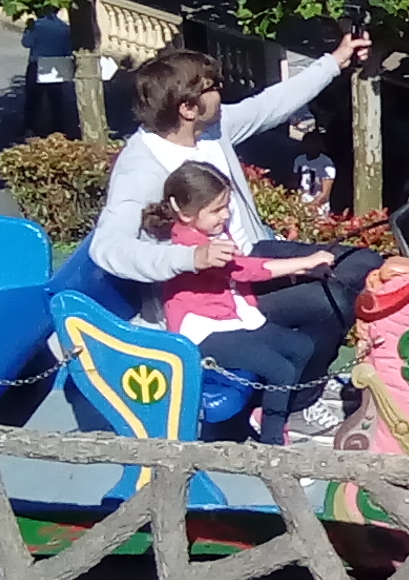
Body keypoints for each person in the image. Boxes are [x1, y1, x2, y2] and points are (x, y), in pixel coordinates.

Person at [90, 39, 383, 440]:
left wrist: (334, 61)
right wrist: (191, 257)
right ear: (187, 108)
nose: (220, 93)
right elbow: (107, 249)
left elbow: (270, 105)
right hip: (215, 289)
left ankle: (303, 381)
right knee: (330, 300)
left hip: (252, 256)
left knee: (364, 265)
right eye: (211, 87)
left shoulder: (212, 128)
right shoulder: (140, 169)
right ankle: (295, 405)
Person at [141, 163, 341, 445]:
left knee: (301, 347)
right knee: (279, 369)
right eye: (216, 210)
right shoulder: (191, 245)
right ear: (185, 214)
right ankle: (273, 443)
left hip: (232, 317)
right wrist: (305, 264)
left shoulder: (211, 233)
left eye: (226, 206)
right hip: (204, 330)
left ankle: (266, 413)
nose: (225, 215)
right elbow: (245, 270)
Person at [19, 9, 77, 140]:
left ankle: (29, 128)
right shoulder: (64, 28)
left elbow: (26, 43)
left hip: (37, 63)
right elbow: (67, 50)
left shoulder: (36, 25)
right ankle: (58, 130)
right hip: (56, 65)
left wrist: (27, 30)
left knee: (32, 99)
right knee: (56, 100)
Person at [292, 124, 337, 212]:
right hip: (300, 203)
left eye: (313, 143)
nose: (310, 146)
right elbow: (294, 184)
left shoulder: (326, 163)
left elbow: (325, 193)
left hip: (318, 206)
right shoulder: (299, 160)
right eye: (307, 142)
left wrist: (314, 205)